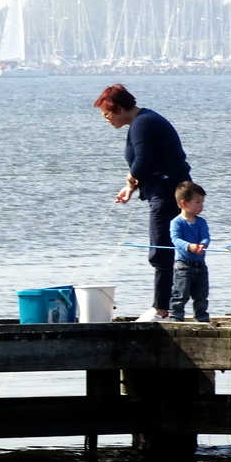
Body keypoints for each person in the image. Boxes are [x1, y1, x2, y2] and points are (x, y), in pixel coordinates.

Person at [94, 84, 191, 321]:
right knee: (165, 249)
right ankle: (167, 307)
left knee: (160, 251)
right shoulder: (143, 121)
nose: (107, 121)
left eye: (107, 115)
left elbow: (144, 160)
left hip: (167, 192)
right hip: (167, 189)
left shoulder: (143, 123)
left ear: (118, 108)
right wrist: (130, 187)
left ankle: (161, 310)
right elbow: (148, 160)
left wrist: (130, 178)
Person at [168, 181, 211, 323]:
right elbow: (176, 239)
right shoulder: (177, 222)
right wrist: (190, 246)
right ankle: (176, 317)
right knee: (180, 294)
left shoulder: (201, 222)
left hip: (200, 265)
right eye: (198, 202)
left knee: (201, 295)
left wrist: (203, 245)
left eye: (202, 202)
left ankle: (202, 318)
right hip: (183, 266)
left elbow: (205, 237)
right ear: (184, 203)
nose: (201, 206)